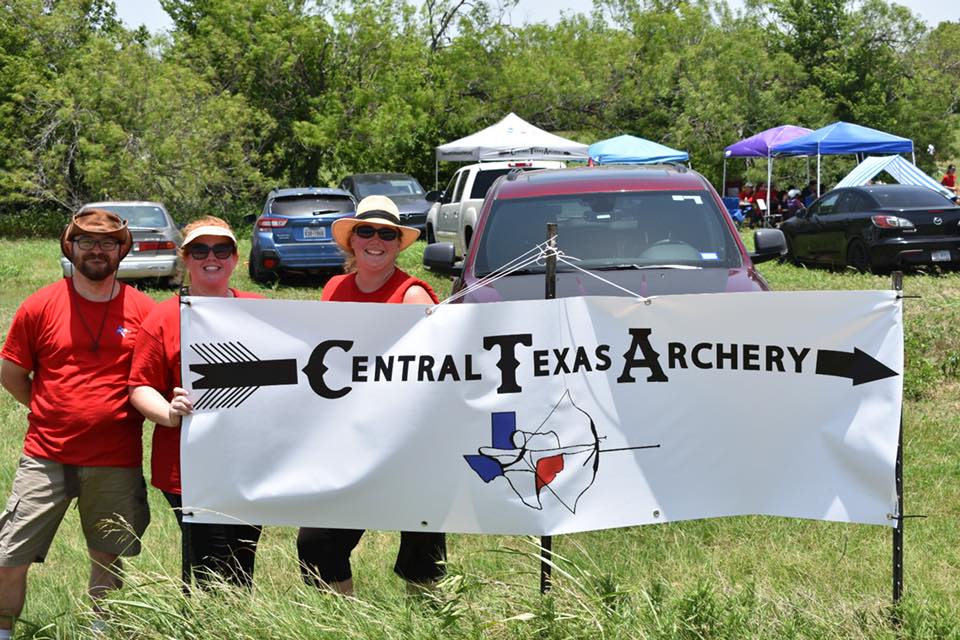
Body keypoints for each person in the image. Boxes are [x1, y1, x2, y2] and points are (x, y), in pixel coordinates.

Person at [0, 209, 154, 637]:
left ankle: (101, 629)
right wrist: (48, 407)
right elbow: (11, 372)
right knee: (9, 554)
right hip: (45, 456)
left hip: (115, 458)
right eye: (86, 241)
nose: (97, 250)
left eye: (107, 242)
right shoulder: (40, 304)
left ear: (122, 249)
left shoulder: (142, 309)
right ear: (70, 246)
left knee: (107, 553)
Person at [297, 195, 444, 597]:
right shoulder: (334, 288)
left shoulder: (413, 295)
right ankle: (347, 621)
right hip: (348, 438)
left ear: (398, 243)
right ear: (352, 240)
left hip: (407, 442)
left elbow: (440, 369)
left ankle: (428, 623)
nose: (375, 240)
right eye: (366, 231)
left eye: (386, 233)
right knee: (318, 542)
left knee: (422, 543)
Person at [129, 217, 263, 590]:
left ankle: (235, 623)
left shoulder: (261, 309)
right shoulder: (163, 317)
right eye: (200, 250)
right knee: (206, 559)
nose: (212, 258)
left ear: (235, 259)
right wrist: (168, 414)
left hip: (248, 460)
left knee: (241, 556)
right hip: (188, 462)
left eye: (222, 250)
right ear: (184, 257)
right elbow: (140, 386)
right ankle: (204, 623)